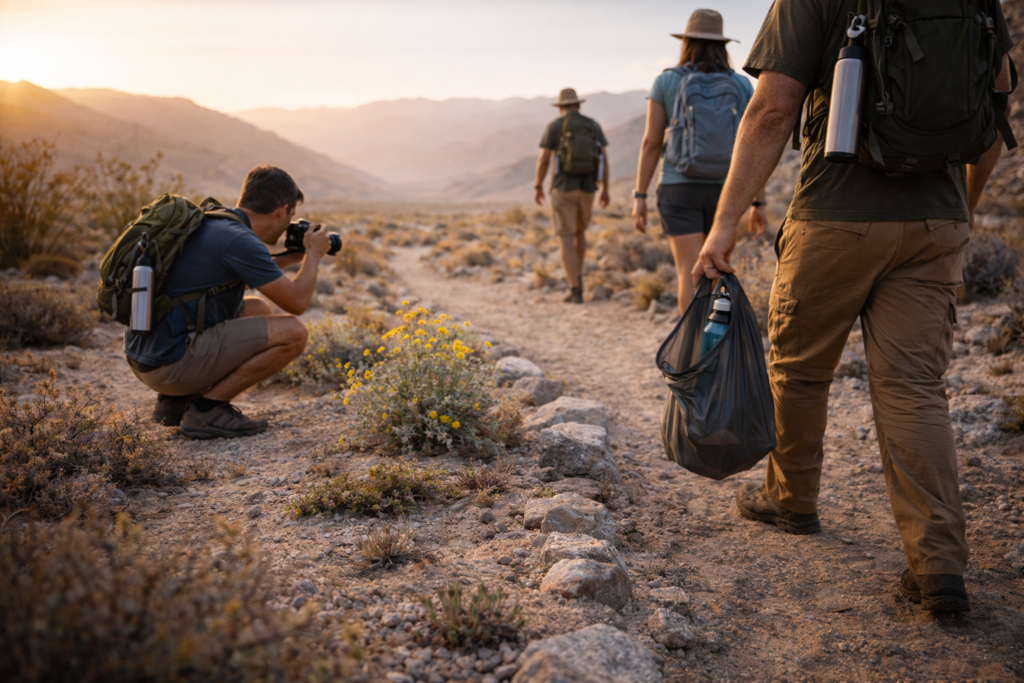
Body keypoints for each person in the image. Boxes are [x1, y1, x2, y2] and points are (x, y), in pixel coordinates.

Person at [694, 0, 1014, 612]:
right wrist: (963, 205)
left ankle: (791, 501)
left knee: (799, 367)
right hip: (936, 220)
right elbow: (998, 103)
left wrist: (726, 221)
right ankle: (939, 565)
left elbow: (772, 108)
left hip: (835, 216)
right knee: (915, 388)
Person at [125, 165, 331, 439]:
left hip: (145, 355)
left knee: (259, 309)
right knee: (294, 333)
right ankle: (208, 409)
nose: (287, 226)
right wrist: (314, 256)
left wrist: (293, 259)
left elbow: (239, 280)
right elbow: (297, 303)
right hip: (168, 366)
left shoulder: (215, 222)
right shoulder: (240, 240)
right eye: (290, 216)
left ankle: (175, 402)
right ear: (281, 210)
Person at [633, 8, 761, 315]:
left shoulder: (666, 82)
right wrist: (759, 203)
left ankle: (690, 356)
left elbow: (651, 142)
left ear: (686, 42)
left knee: (686, 274)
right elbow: (754, 147)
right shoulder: (742, 85)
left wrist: (639, 196)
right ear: (723, 44)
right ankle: (714, 348)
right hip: (729, 191)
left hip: (679, 190)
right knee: (717, 271)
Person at [534, 88, 610, 303]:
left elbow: (544, 159)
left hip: (563, 188)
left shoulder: (555, 126)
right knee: (580, 233)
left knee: (565, 237)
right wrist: (605, 188)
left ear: (560, 107)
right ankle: (579, 278)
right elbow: (603, 158)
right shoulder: (592, 125)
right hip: (588, 188)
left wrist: (538, 185)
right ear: (578, 105)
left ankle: (574, 287)